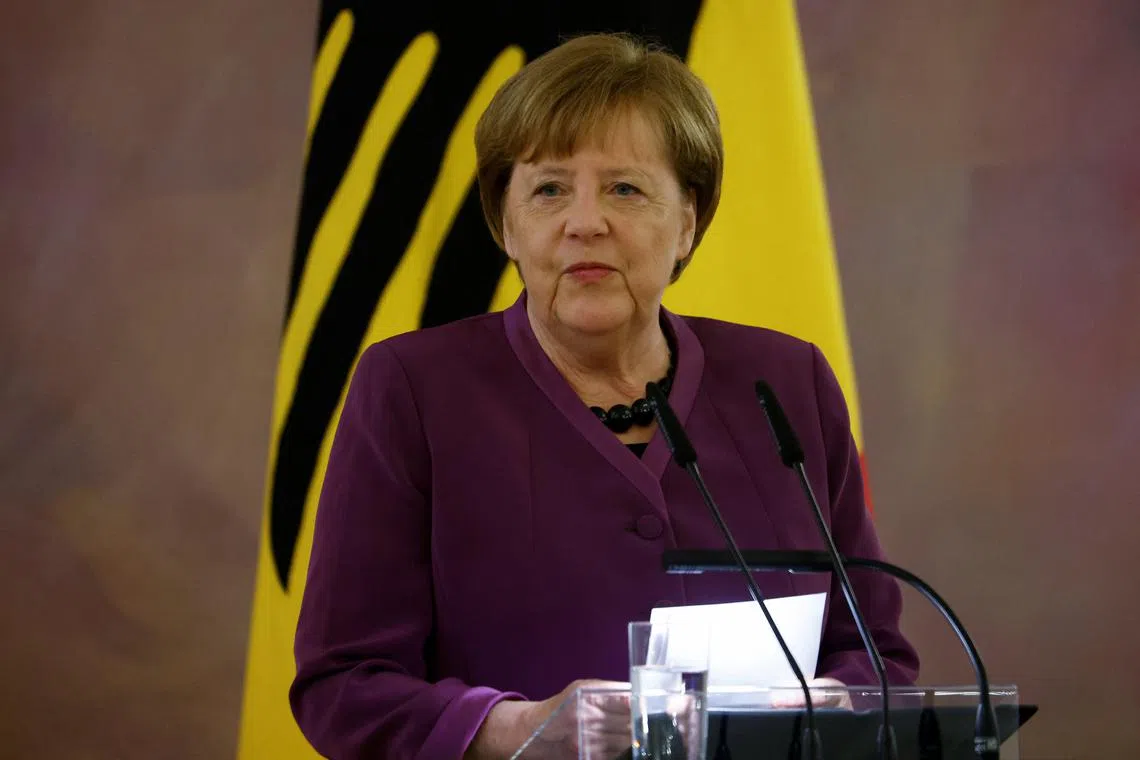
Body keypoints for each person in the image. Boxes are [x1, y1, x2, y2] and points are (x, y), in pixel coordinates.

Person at [289, 32, 919, 760]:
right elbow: (343, 683)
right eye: (550, 188)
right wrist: (513, 730)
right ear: (507, 224)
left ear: (687, 222)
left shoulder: (787, 381)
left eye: (624, 187)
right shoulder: (412, 389)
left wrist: (836, 707)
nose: (585, 221)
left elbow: (874, 653)